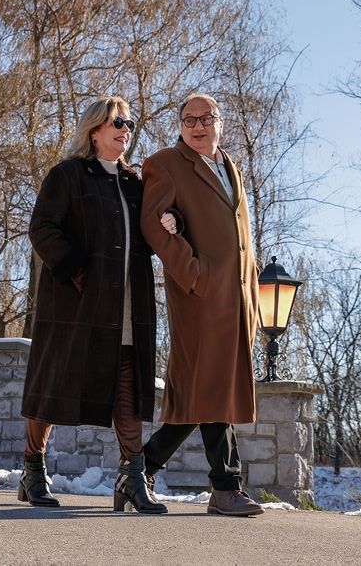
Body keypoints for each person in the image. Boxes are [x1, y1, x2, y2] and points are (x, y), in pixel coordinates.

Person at [20, 96, 167, 514]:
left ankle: (132, 477)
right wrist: (75, 268)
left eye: (130, 123)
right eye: (117, 122)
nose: (126, 130)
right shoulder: (67, 176)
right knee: (53, 384)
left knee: (127, 388)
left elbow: (150, 236)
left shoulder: (135, 185)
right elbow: (42, 227)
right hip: (76, 304)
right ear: (94, 130)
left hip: (126, 307)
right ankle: (33, 468)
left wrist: (171, 223)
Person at [140, 93, 264, 516]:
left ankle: (139, 469)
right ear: (180, 124)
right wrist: (194, 275)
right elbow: (155, 228)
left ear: (220, 123)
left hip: (238, 299)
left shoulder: (231, 167)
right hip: (200, 298)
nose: (197, 126)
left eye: (205, 118)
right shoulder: (165, 164)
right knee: (211, 387)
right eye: (188, 119)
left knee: (206, 391)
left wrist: (251, 285)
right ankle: (226, 487)